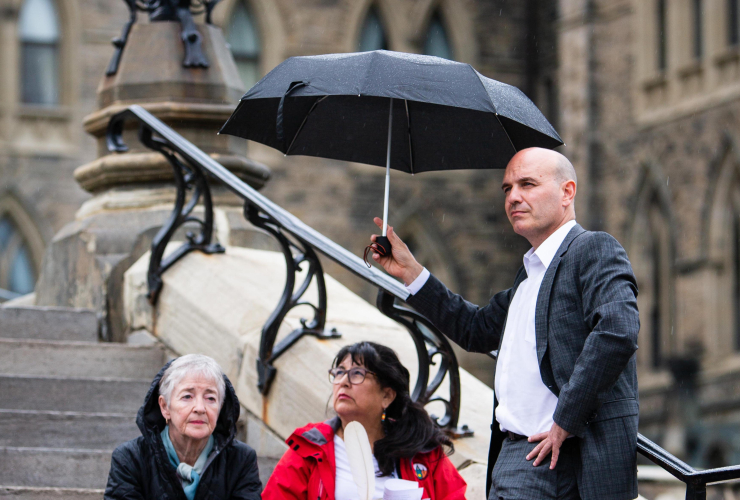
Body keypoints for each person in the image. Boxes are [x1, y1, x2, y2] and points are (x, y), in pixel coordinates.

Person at [369, 147, 640, 500]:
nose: (513, 197)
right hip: (515, 455)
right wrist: (411, 273)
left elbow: (617, 331)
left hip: (565, 455)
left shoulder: (593, 249)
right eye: (507, 188)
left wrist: (565, 421)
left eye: (527, 184)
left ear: (567, 192)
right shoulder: (528, 278)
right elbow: (474, 329)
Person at [262, 341, 467, 500]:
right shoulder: (309, 448)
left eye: (357, 373)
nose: (343, 381)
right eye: (339, 372)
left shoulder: (420, 451)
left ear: (386, 396)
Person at [104, 354, 262, 500]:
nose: (200, 408)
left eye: (210, 398)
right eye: (187, 396)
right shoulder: (130, 458)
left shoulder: (241, 460)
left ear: (220, 409)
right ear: (165, 407)